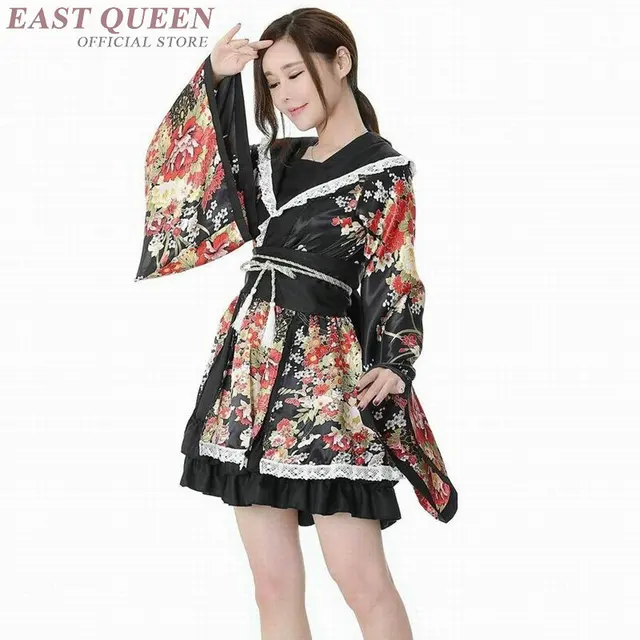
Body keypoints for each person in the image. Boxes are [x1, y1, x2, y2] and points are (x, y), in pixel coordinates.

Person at [135, 8, 457, 639]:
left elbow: (395, 271)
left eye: (295, 74)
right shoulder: (276, 162)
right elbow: (185, 183)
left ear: (341, 61)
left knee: (361, 581)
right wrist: (217, 80)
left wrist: (396, 362)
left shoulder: (384, 173)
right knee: (273, 585)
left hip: (325, 381)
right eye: (273, 82)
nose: (284, 95)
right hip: (249, 375)